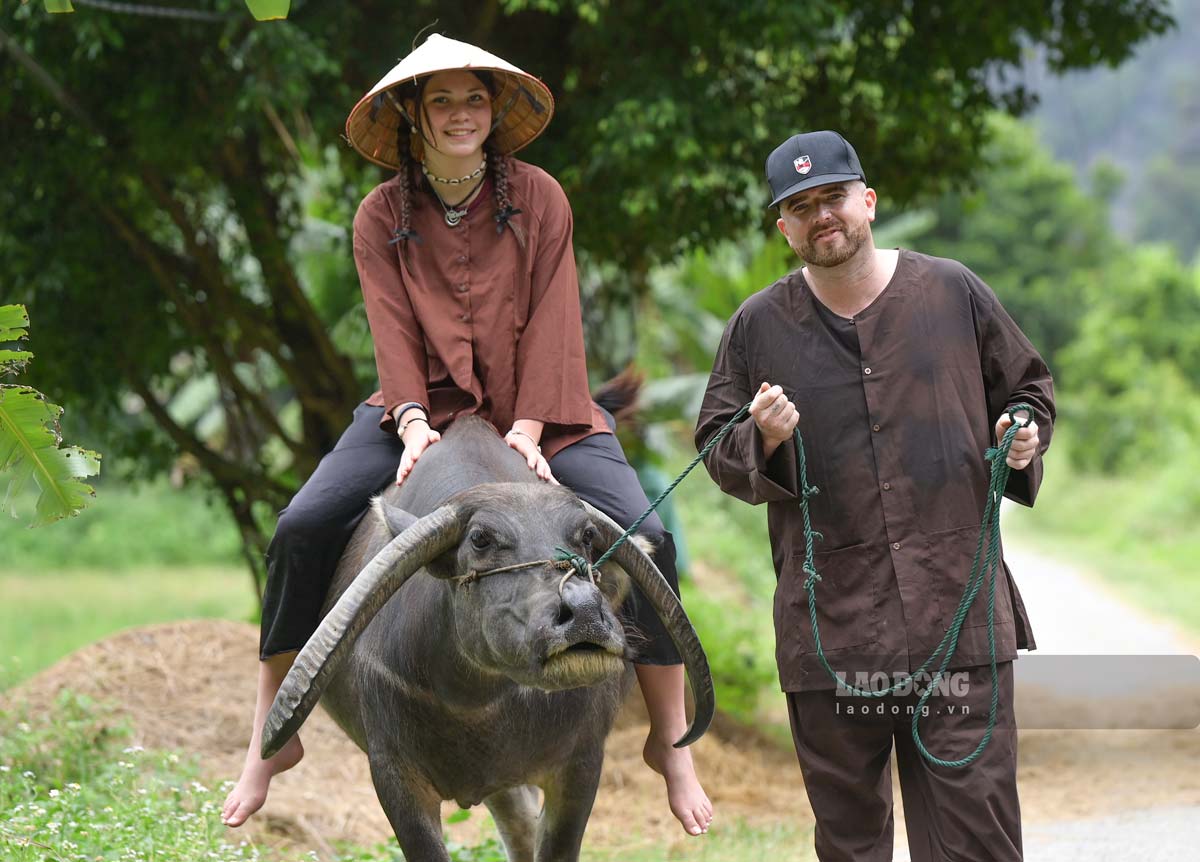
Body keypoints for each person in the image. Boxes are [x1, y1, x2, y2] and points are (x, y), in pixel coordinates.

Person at [222, 34, 712, 836]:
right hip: (418, 412)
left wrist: (528, 427)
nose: (459, 115)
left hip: (545, 410)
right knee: (301, 526)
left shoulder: (543, 197)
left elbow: (557, 316)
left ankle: (668, 739)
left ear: (495, 110)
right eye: (441, 101)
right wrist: (411, 423)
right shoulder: (380, 214)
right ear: (413, 115)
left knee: (646, 532)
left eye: (473, 100)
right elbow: (388, 329)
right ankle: (270, 738)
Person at [694, 129, 1054, 861]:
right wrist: (760, 438)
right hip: (832, 637)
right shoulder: (757, 326)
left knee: (976, 841)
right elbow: (714, 446)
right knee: (852, 844)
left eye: (833, 197)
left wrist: (1022, 433)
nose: (821, 216)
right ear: (783, 227)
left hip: (957, 623)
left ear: (868, 201)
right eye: (801, 206)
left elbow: (1027, 390)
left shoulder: (952, 290)